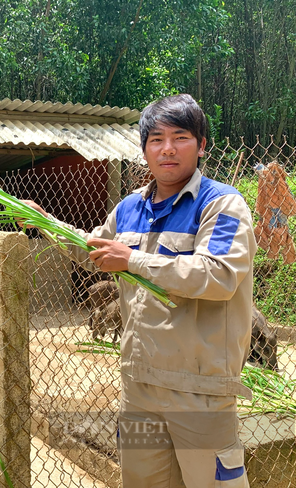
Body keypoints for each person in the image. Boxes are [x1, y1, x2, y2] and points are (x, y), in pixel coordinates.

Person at [22, 94, 255, 488]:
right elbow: (92, 251)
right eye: (156, 139)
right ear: (144, 149)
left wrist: (131, 260)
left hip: (198, 393)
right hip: (138, 390)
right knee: (140, 481)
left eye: (180, 137)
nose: (167, 148)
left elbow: (218, 276)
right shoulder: (130, 207)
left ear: (201, 145)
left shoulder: (222, 204)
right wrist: (45, 222)